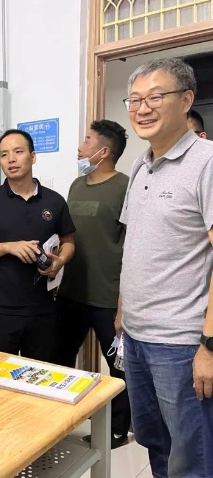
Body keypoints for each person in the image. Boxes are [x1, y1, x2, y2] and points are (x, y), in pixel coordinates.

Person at [117, 57, 213, 477]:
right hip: (136, 336)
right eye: (135, 99)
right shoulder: (140, 163)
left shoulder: (207, 162)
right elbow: (136, 243)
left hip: (181, 343)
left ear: (186, 100)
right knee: (154, 442)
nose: (142, 108)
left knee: (191, 459)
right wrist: (123, 310)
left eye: (155, 97)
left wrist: (209, 346)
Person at [0, 129, 75, 363]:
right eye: (4, 154)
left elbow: (69, 242)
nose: (11, 159)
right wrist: (8, 247)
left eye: (18, 152)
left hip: (43, 310)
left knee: (42, 375)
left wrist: (60, 261)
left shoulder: (54, 201)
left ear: (32, 157)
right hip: (0, 311)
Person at [57, 119, 132, 449]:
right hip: (71, 291)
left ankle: (117, 429)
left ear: (104, 151)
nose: (80, 147)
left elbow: (132, 244)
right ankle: (59, 420)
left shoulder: (125, 186)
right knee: (59, 358)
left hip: (108, 296)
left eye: (87, 141)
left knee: (119, 368)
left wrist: (124, 302)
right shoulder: (76, 185)